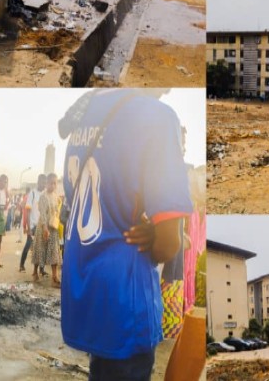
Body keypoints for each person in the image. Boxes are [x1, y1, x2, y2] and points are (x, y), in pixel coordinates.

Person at [59, 90, 192, 380]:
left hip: (86, 289)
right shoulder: (156, 116)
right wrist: (158, 232)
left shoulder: (86, 112)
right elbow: (169, 244)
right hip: (125, 301)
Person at [32, 173, 61, 287]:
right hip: (43, 227)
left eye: (55, 183)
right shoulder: (43, 196)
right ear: (47, 183)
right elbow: (43, 214)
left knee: (54, 250)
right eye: (51, 183)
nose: (53, 185)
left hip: (53, 227)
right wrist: (45, 228)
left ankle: (55, 276)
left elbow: (57, 209)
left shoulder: (55, 196)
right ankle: (35, 272)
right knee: (40, 249)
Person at [20, 174, 46, 273]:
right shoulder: (33, 193)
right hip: (33, 225)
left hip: (42, 225)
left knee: (42, 247)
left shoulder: (44, 194)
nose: (43, 184)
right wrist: (28, 227)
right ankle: (22, 265)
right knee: (28, 245)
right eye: (42, 182)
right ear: (38, 182)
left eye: (45, 182)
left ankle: (42, 269)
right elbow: (28, 210)